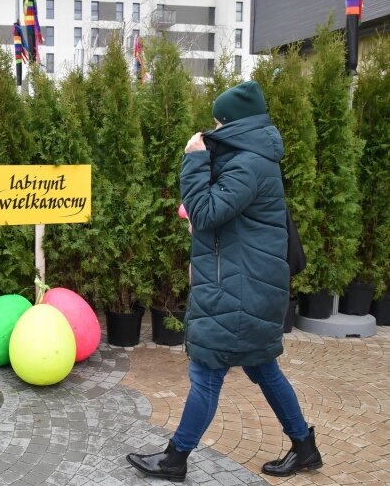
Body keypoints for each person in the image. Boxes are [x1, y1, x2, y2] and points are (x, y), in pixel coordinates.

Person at [127, 81, 322, 482]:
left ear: (233, 123)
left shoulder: (249, 164)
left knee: (206, 371)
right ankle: (305, 448)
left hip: (242, 288)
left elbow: (208, 210)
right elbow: (221, 220)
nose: (212, 130)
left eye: (218, 123)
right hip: (248, 283)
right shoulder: (251, 159)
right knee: (264, 369)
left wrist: (195, 161)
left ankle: (175, 459)